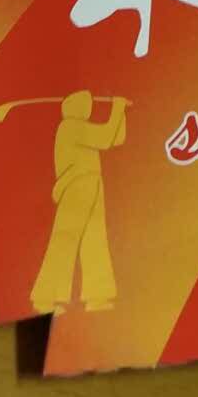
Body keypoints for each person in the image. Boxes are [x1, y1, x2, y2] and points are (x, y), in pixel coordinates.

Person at [30, 91, 128, 315]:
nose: (89, 109)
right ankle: (45, 298)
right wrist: (117, 108)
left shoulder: (81, 129)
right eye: (86, 105)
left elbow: (115, 139)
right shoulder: (70, 127)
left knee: (95, 240)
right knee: (65, 239)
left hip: (92, 184)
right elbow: (105, 137)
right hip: (77, 185)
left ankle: (97, 296)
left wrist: (121, 112)